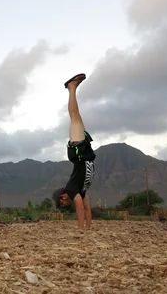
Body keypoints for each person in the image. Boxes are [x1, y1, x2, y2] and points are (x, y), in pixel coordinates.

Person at [52, 73, 96, 230]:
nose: (64, 205)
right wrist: (88, 229)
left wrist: (80, 230)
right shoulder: (81, 192)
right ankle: (72, 89)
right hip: (84, 153)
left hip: (78, 151)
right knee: (76, 117)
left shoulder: (71, 190)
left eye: (62, 203)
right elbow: (86, 209)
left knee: (74, 116)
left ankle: (71, 88)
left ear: (63, 196)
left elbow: (79, 208)